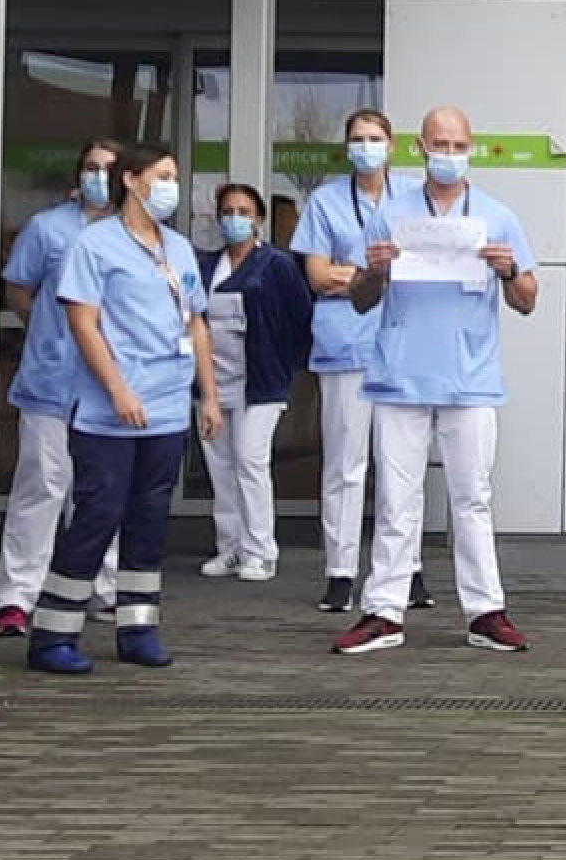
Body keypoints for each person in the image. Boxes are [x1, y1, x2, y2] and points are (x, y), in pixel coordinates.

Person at [331, 106, 538, 656]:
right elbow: (358, 298)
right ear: (418, 147)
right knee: (397, 501)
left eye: (459, 145)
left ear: (474, 148)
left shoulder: (497, 216)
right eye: (439, 145)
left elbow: (527, 301)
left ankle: (485, 610)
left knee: (472, 499)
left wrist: (510, 271)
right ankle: (383, 611)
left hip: (469, 379)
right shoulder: (390, 216)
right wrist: (374, 270)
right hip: (400, 377)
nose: (449, 155)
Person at [27, 147, 223, 674]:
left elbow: (196, 323)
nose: (170, 187)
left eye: (174, 178)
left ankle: (138, 627)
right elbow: (83, 323)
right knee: (99, 513)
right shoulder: (95, 245)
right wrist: (116, 389)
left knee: (149, 518)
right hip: (108, 410)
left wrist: (209, 393)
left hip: (167, 405)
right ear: (132, 181)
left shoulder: (177, 248)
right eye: (161, 177)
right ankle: (52, 632)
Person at [292, 109, 427, 615]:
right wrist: (374, 274)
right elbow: (316, 275)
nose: (365, 146)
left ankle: (406, 569)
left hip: (402, 347)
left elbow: (423, 268)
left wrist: (354, 274)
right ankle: (340, 571)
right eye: (357, 139)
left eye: (374, 138)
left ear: (393, 145)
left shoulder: (414, 197)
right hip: (344, 344)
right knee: (346, 465)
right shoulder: (326, 201)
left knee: (401, 466)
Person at [0, 139, 121, 638]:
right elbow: (20, 291)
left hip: (111, 385)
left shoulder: (135, 233)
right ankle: (17, 597)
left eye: (108, 170)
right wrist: (51, 332)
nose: (98, 178)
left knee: (104, 492)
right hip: (51, 380)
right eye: (90, 168)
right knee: (41, 486)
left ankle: (103, 588)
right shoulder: (47, 228)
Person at [195, 182, 314, 583]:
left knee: (250, 459)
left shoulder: (277, 265)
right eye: (228, 211)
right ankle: (229, 547)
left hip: (260, 382)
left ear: (258, 219)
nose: (235, 219)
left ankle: (261, 550)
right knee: (220, 465)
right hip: (214, 382)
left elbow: (301, 317)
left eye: (244, 211)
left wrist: (286, 362)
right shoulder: (207, 266)